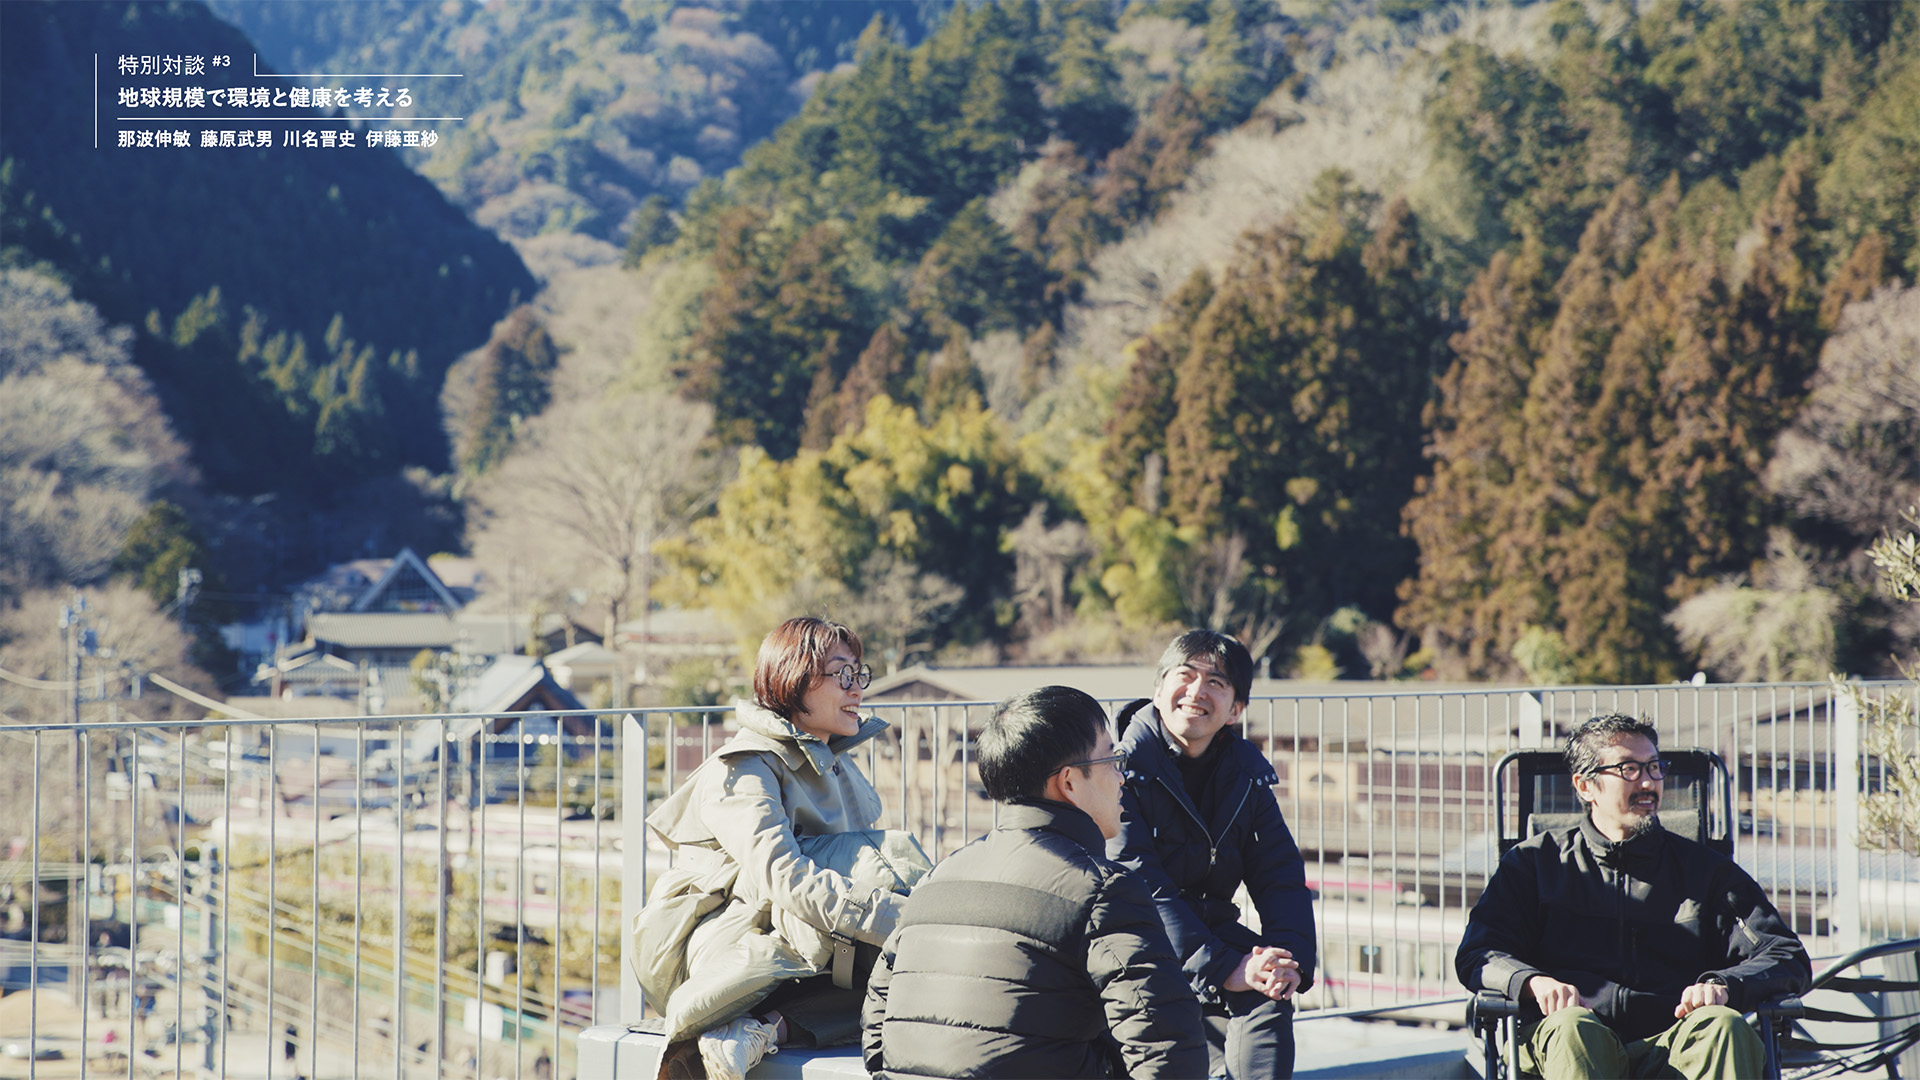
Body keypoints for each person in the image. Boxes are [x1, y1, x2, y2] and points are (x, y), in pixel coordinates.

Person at [863, 685, 1206, 1079]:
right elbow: (1166, 1047)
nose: (1122, 777)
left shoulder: (936, 878)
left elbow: (877, 1031)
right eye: (1113, 759)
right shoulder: (1103, 890)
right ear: (1070, 782)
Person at [637, 617, 927, 1080]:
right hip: (729, 940)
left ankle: (766, 1030)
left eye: (860, 674)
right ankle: (735, 1022)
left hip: (808, 934)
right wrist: (908, 922)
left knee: (916, 983)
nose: (857, 690)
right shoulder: (744, 768)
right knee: (905, 936)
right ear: (794, 680)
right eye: (842, 675)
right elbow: (786, 877)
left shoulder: (833, 759)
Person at [1456, 714, 1812, 1079]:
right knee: (1572, 1028)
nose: (1648, 782)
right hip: (1572, 1041)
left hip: (1675, 1042)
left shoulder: (1707, 872)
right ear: (1585, 786)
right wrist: (1531, 982)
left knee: (1722, 1025)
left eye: (1654, 767)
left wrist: (1725, 986)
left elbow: (1786, 955)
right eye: (1629, 769)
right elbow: (1479, 953)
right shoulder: (1533, 864)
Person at [1111, 630, 1316, 1079]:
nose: (1197, 692)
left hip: (1211, 933)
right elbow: (1140, 884)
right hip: (1130, 940)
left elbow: (1279, 874)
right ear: (1158, 689)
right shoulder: (1120, 770)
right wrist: (1226, 968)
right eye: (1185, 676)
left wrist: (1289, 962)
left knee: (1271, 991)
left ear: (1235, 710)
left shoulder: (1246, 775)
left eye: (1216, 683)